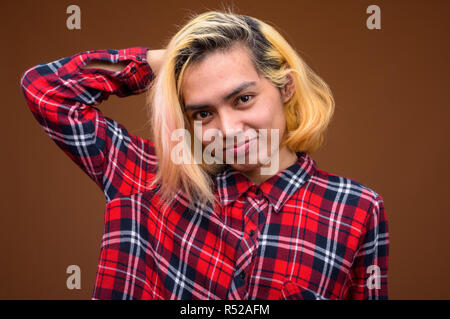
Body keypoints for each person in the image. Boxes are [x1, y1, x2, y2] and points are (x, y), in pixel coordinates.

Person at [20, 10, 389, 300]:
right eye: (203, 113)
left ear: (286, 87)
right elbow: (46, 90)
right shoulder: (148, 181)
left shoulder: (356, 209)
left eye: (243, 99)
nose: (227, 130)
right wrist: (166, 63)